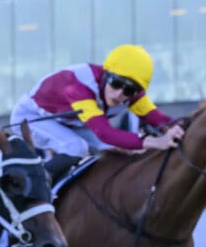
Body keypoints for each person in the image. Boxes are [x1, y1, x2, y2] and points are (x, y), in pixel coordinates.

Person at [10, 44, 183, 180]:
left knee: (117, 150)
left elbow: (161, 120)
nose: (119, 94)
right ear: (106, 74)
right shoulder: (79, 88)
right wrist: (156, 142)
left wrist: (178, 131)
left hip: (69, 122)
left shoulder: (132, 95)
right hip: (30, 117)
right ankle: (32, 185)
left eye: (129, 90)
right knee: (75, 147)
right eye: (116, 83)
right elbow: (104, 133)